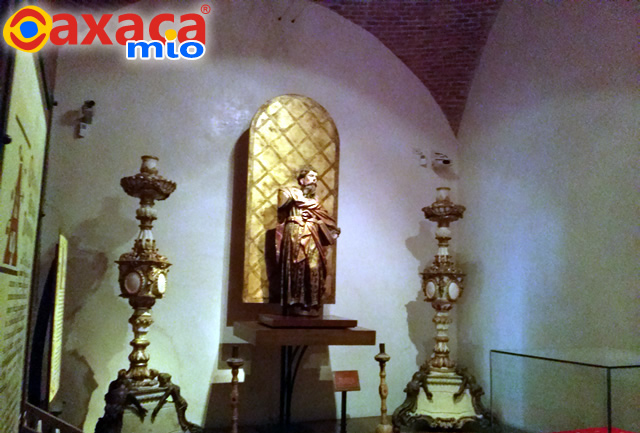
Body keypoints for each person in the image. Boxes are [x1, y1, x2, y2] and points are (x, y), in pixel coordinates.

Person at [276, 168, 340, 316]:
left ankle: (312, 303)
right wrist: (297, 202)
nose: (314, 179)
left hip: (311, 234)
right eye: (311, 176)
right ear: (301, 180)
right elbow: (281, 205)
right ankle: (294, 303)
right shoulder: (289, 193)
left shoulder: (315, 202)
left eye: (316, 177)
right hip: (294, 233)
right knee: (296, 265)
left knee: (313, 266)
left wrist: (315, 220)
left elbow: (326, 220)